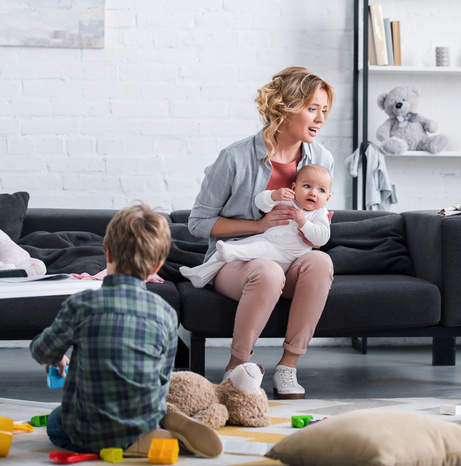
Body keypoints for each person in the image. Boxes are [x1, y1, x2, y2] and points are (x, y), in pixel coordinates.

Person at [187, 66, 335, 400]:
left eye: (324, 110)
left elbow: (320, 221)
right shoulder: (235, 158)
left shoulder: (322, 159)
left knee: (321, 262)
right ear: (286, 106)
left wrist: (315, 226)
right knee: (267, 270)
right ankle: (236, 369)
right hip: (239, 261)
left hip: (292, 259)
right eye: (312, 108)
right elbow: (197, 223)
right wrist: (258, 225)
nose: (320, 118)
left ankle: (288, 366)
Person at [29, 204, 222, 457]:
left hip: (88, 429)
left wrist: (57, 356)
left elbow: (42, 351)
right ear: (157, 267)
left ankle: (122, 439)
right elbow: (161, 379)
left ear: (107, 253)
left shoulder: (82, 305)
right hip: (142, 420)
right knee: (151, 402)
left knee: (56, 423)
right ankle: (153, 428)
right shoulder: (165, 314)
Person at [180, 164, 332, 288]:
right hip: (266, 240)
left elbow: (322, 237)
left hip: (287, 254)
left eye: (321, 190)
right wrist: (273, 196)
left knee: (245, 249)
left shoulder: (320, 214)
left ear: (327, 199)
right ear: (294, 187)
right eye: (307, 186)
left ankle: (231, 253)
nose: (313, 193)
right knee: (230, 245)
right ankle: (200, 274)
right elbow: (260, 203)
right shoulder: (288, 199)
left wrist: (303, 223)